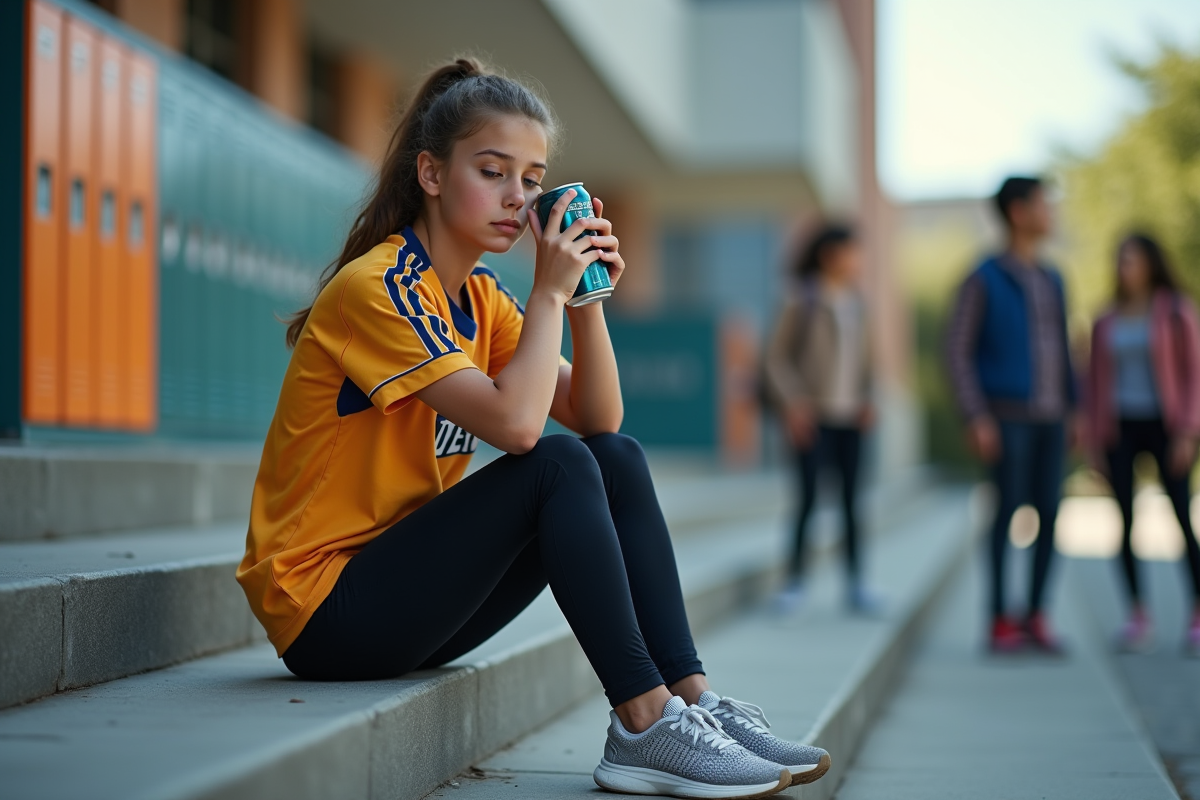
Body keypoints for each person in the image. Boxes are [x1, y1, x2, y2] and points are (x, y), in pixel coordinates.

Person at [235, 59, 831, 799]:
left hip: (416, 601)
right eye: (493, 172)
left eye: (532, 178)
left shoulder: (482, 299)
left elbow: (601, 422)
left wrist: (585, 298)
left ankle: (691, 699)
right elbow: (522, 433)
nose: (517, 198)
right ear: (430, 173)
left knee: (611, 456)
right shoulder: (379, 288)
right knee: (555, 465)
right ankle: (643, 723)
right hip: (327, 612)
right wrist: (548, 290)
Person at [946, 176, 1077, 654]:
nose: (1052, 212)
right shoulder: (983, 277)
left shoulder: (1054, 278)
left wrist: (1075, 407)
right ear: (1018, 212)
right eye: (1045, 204)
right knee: (1004, 514)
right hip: (1004, 416)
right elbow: (958, 350)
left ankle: (1036, 616)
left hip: (1051, 417)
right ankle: (1000, 619)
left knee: (1050, 514)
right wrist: (975, 415)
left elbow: (1063, 349)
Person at [1085, 233, 1200, 656]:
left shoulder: (1174, 311)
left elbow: (1194, 374)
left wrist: (1188, 431)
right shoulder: (1105, 320)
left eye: (1130, 260)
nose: (1123, 268)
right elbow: (1093, 384)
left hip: (1166, 425)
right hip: (1120, 427)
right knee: (1124, 522)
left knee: (1180, 518)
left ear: (1150, 263)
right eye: (1119, 260)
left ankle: (1197, 612)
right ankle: (1137, 615)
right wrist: (1094, 441)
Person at [765, 224, 878, 614]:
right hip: (812, 417)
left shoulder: (857, 302)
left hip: (851, 418)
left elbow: (865, 360)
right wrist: (794, 404)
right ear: (831, 254)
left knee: (852, 502)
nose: (857, 261)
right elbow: (774, 358)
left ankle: (857, 585)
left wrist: (868, 397)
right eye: (851, 252)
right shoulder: (800, 298)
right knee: (808, 499)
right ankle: (795, 582)